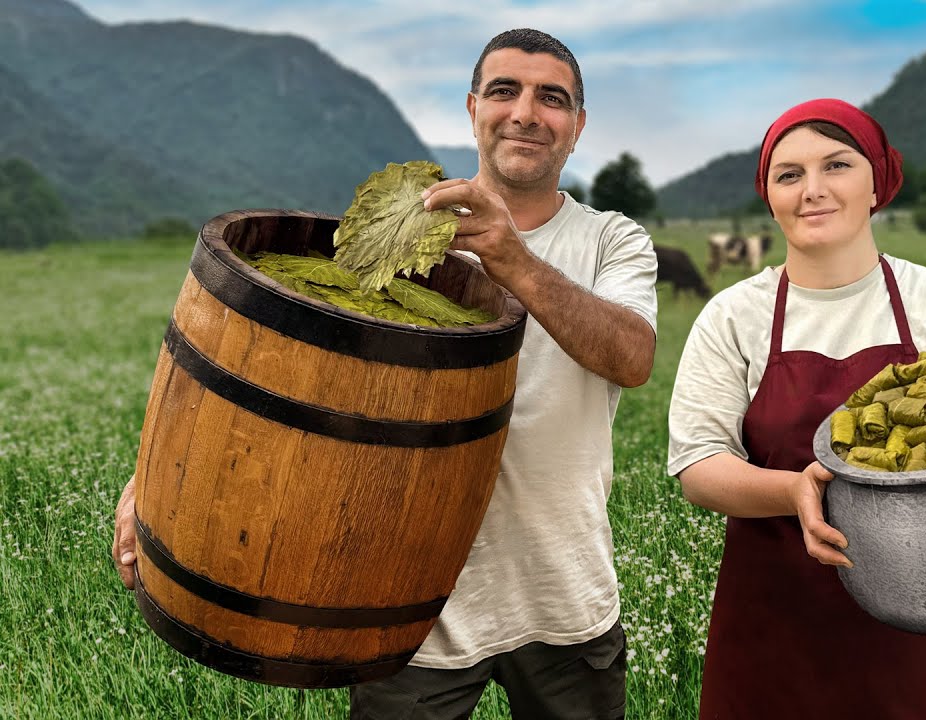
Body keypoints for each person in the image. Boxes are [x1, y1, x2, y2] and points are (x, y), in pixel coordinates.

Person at [112, 28, 657, 720]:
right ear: (473, 109)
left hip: (565, 600)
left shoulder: (613, 240)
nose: (525, 112)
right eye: (504, 91)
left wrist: (512, 260)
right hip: (401, 610)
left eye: (552, 98)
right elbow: (273, 375)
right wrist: (155, 484)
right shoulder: (398, 231)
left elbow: (632, 357)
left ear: (577, 126)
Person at [666, 98, 926, 719]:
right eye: (789, 174)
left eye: (836, 165)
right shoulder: (733, 316)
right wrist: (795, 491)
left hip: (924, 617)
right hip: (775, 624)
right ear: (770, 198)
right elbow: (699, 465)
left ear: (877, 183)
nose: (812, 190)